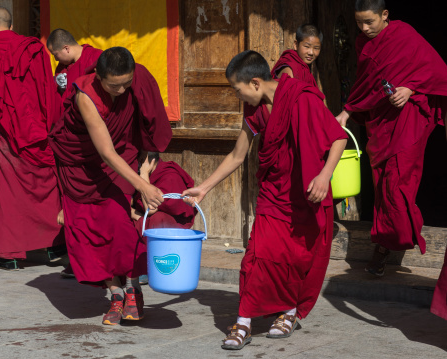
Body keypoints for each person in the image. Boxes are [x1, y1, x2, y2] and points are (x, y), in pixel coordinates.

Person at [183, 50, 347, 350]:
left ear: (255, 83)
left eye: (238, 90)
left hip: (307, 191)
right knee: (256, 257)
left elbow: (338, 137)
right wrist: (204, 188)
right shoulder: (255, 110)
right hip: (274, 193)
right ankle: (243, 322)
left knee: (296, 258)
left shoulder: (302, 98)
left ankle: (288, 311)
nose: (238, 97)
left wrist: (324, 176)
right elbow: (237, 155)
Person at [48, 47, 172, 326]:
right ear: (98, 77)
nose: (122, 90)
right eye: (114, 85)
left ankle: (131, 288)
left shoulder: (136, 78)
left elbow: (149, 119)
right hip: (82, 167)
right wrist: (143, 186)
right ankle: (114, 293)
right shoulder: (85, 96)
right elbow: (105, 152)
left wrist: (144, 167)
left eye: (127, 84)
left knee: (119, 224)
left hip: (121, 158)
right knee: (90, 232)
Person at [335, 0, 447, 276]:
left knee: (397, 186)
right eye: (359, 22)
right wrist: (347, 112)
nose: (364, 28)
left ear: (385, 15)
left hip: (407, 122)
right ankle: (385, 244)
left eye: (369, 22)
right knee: (383, 186)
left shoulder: (404, 35)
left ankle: (392, 241)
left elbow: (437, 70)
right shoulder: (363, 43)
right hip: (380, 124)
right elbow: (366, 83)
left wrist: (410, 88)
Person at [0, 6, 64, 270]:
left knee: (8, 192)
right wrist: (50, 125)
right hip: (36, 129)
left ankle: (11, 254)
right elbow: (48, 90)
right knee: (45, 184)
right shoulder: (34, 48)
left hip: (4, 131)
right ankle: (54, 246)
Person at [46, 28, 103, 277]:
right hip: (72, 145)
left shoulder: (99, 59)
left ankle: (105, 258)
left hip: (98, 143)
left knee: (99, 204)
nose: (57, 61)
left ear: (67, 49)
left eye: (57, 55)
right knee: (74, 202)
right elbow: (63, 102)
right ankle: (78, 258)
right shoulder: (63, 71)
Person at [131, 151, 197, 285]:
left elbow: (151, 208)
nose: (137, 166)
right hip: (146, 217)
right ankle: (132, 267)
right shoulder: (142, 174)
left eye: (140, 162)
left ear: (149, 162)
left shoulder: (169, 175)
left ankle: (150, 267)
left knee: (157, 217)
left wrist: (144, 175)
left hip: (170, 225)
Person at [46, 28, 103, 110]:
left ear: (66, 48)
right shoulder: (62, 66)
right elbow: (61, 97)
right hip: (68, 117)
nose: (56, 59)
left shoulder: (96, 57)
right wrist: (60, 88)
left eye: (55, 54)